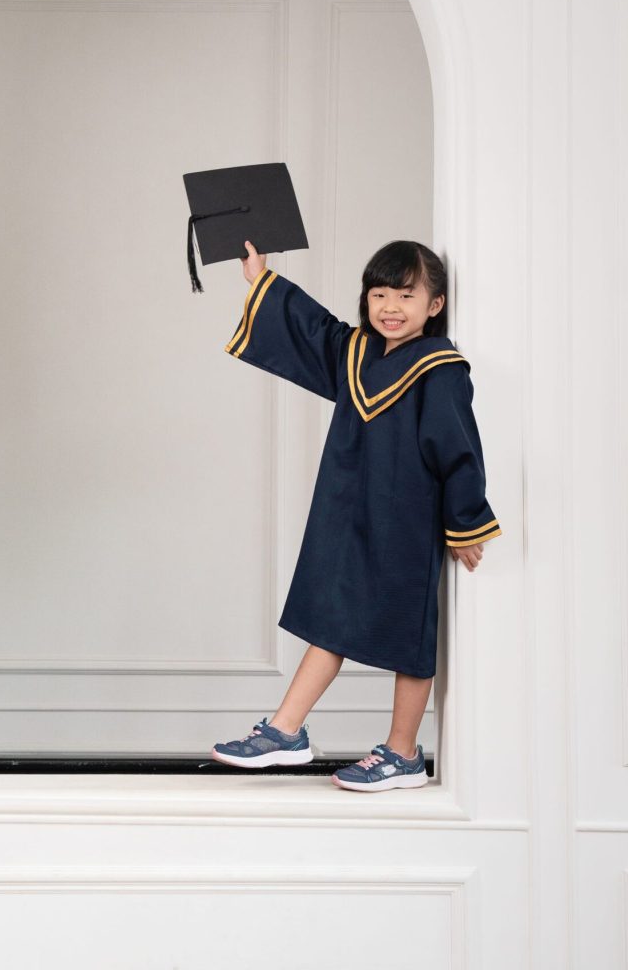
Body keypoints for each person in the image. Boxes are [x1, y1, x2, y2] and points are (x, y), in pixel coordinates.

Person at [210, 238, 501, 791]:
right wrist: (261, 280)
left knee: (410, 635)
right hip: (349, 512)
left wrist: (466, 523)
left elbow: (459, 450)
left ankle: (402, 753)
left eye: (407, 296)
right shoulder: (356, 353)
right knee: (331, 616)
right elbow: (313, 327)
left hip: (408, 521)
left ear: (435, 305)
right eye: (379, 294)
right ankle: (286, 730)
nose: (391, 307)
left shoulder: (440, 370)